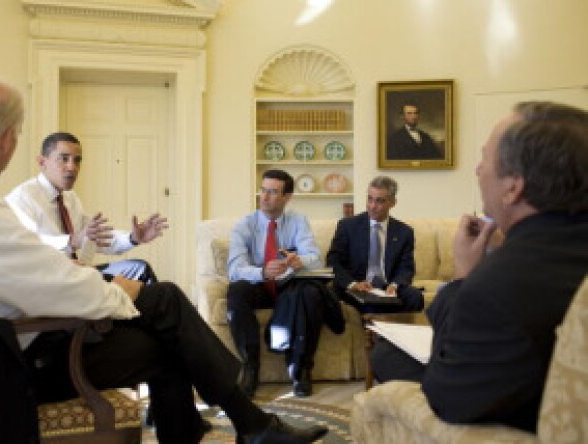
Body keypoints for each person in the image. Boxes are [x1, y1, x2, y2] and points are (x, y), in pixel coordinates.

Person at [0, 76, 328, 444]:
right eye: (63, 158)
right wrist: (118, 292)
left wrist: (127, 244)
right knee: (164, 308)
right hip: (13, 358)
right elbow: (52, 283)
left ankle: (249, 422)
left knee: (168, 331)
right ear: (9, 139)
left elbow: (54, 260)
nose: (71, 166)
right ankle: (251, 420)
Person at [371, 101, 588, 433]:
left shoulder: (495, 286)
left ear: (513, 186)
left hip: (516, 413)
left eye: (485, 157)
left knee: (385, 356)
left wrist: (464, 277)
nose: (476, 170)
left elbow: (449, 397)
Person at [6, 131, 163, 284]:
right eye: (64, 159)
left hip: (76, 273)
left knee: (140, 269)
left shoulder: (70, 198)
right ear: (42, 162)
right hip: (47, 280)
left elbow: (96, 237)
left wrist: (133, 238)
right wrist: (72, 241)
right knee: (167, 295)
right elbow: (27, 246)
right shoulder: (22, 198)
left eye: (77, 160)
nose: (72, 167)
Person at [227, 169, 325, 398]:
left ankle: (301, 369)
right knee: (236, 291)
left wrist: (299, 261)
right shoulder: (245, 225)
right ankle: (250, 367)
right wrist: (262, 271)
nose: (264, 197)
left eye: (272, 192)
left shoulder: (298, 221)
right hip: (258, 284)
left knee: (310, 294)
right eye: (263, 190)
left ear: (286, 197)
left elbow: (316, 259)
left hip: (288, 284)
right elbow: (234, 269)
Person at [326, 175, 425, 313]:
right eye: (370, 199)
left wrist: (395, 285)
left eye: (379, 201)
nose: (372, 206)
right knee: (368, 303)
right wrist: (353, 284)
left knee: (415, 297)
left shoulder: (404, 232)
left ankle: (398, 333)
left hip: (387, 288)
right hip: (357, 287)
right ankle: (377, 332)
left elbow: (406, 267)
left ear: (393, 202)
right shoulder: (348, 226)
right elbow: (333, 262)